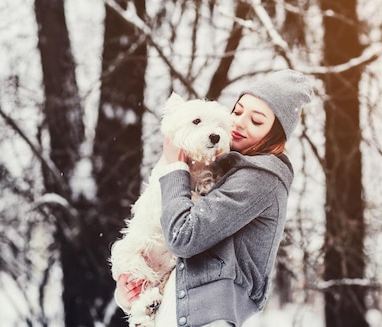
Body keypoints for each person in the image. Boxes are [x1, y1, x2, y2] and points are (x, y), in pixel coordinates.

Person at [115, 69, 313, 327]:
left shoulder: (260, 178)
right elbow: (169, 246)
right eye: (238, 111)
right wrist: (128, 291)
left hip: (206, 315)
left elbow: (183, 237)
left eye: (256, 120)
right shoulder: (226, 169)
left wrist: (175, 167)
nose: (239, 123)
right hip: (178, 307)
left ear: (274, 135)